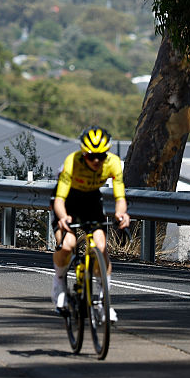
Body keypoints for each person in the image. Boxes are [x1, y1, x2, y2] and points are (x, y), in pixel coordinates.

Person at [51, 126, 129, 322]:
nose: (96, 161)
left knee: (101, 248)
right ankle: (59, 282)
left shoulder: (113, 163)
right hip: (68, 202)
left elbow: (120, 196)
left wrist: (121, 213)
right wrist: (62, 217)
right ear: (83, 153)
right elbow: (59, 199)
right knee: (67, 245)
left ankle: (104, 302)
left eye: (101, 156)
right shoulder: (73, 162)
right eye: (91, 156)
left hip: (92, 201)